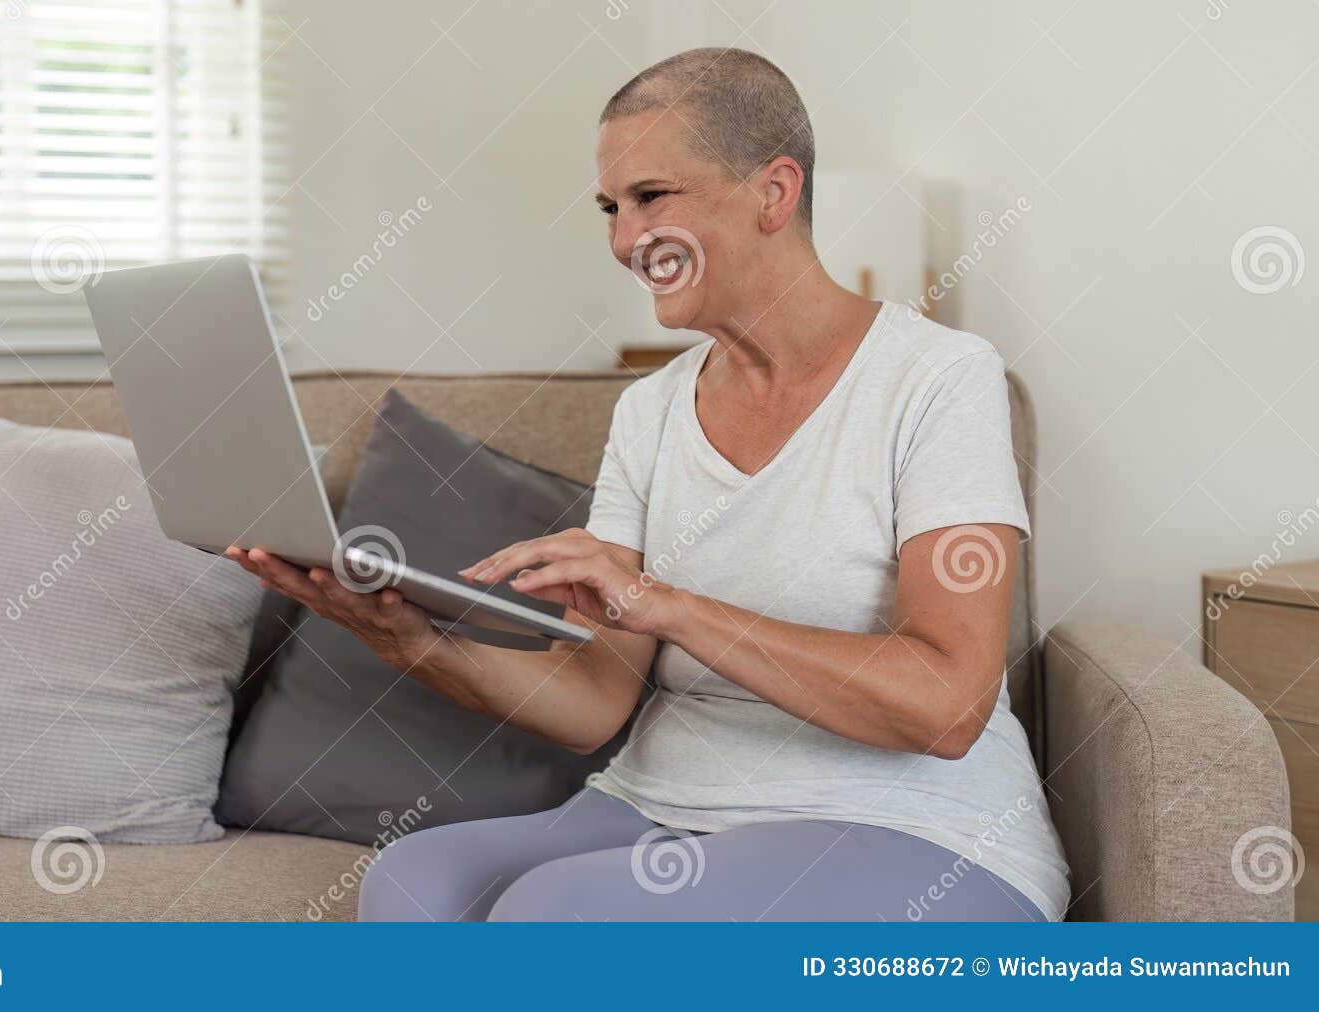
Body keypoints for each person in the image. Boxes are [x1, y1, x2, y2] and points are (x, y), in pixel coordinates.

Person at [228, 47, 1069, 922]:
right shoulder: (651, 412)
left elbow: (948, 705)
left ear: (773, 193)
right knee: (412, 886)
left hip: (912, 829)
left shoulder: (940, 379)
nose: (626, 241)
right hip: (659, 807)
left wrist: (668, 605)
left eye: (652, 198)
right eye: (610, 208)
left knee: (555, 913)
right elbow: (595, 700)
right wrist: (407, 640)